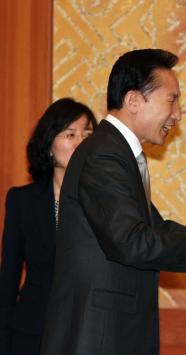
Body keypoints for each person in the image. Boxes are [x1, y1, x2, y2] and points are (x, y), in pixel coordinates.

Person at [40, 49, 186, 355]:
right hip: (99, 336)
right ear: (133, 101)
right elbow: (132, 241)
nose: (178, 114)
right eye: (171, 99)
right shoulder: (104, 154)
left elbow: (156, 229)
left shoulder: (116, 153)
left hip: (113, 333)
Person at [0, 98, 97, 355]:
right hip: (33, 333)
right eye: (70, 134)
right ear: (50, 145)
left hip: (89, 333)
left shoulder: (106, 201)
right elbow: (8, 277)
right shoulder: (22, 201)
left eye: (88, 134)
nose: (80, 142)